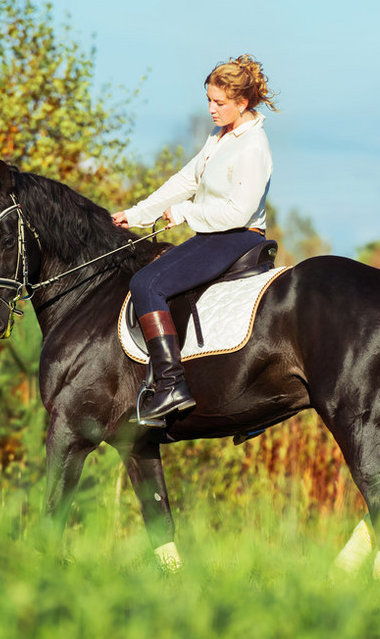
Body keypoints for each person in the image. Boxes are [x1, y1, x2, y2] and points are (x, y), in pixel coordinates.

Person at [112, 54, 277, 426]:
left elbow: (237, 213)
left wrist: (186, 213)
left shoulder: (253, 147)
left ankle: (171, 385)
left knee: (146, 284)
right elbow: (186, 181)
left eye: (219, 103)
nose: (211, 109)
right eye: (209, 100)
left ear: (242, 103)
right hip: (212, 233)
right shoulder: (220, 138)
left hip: (236, 237)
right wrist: (136, 214)